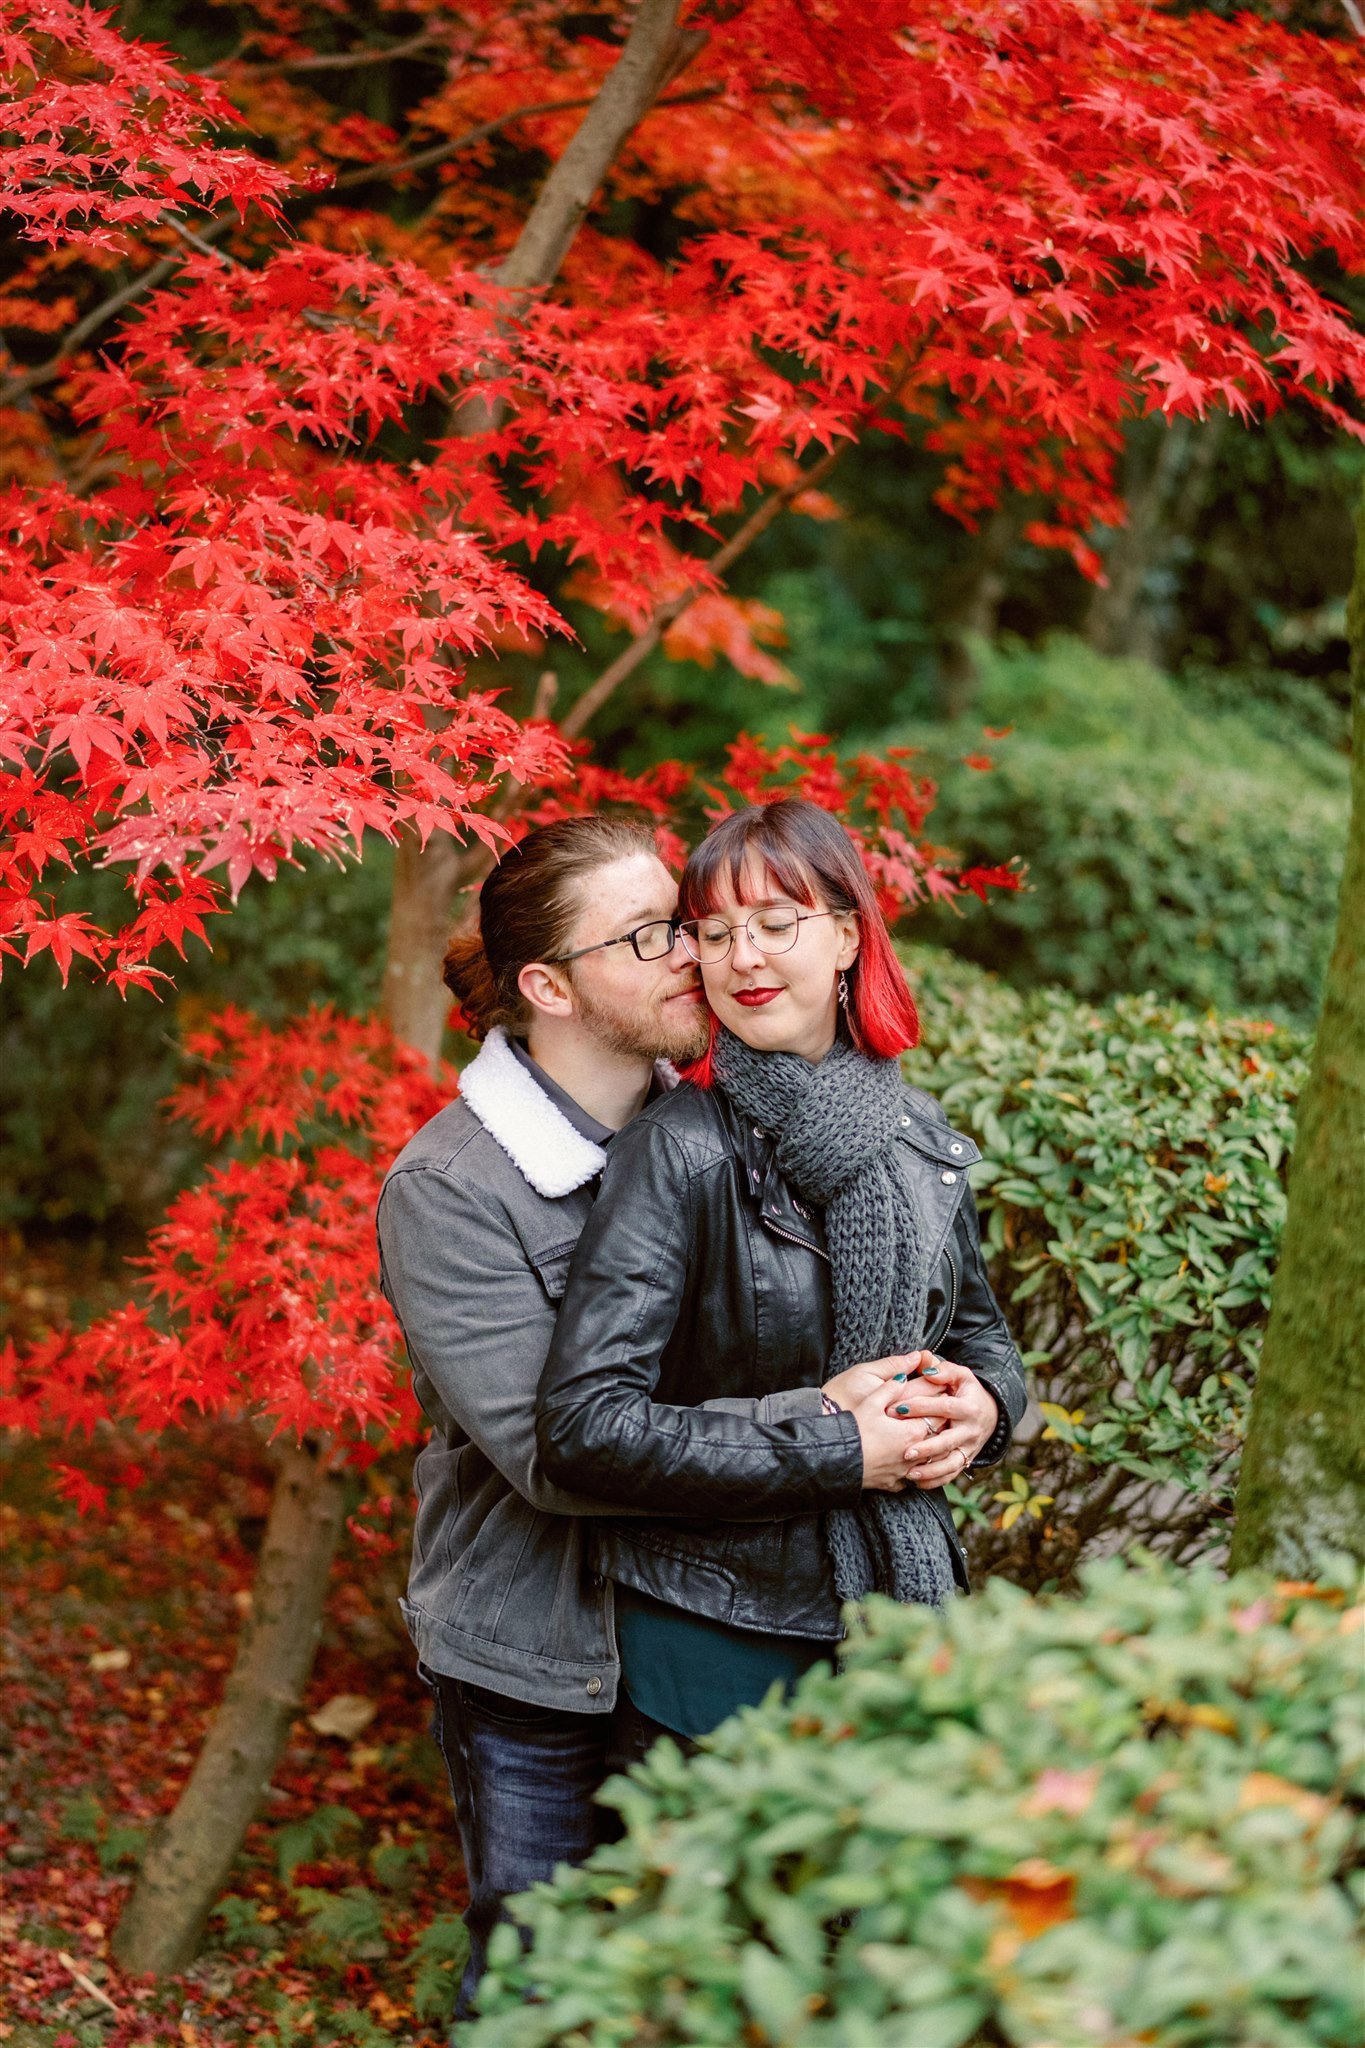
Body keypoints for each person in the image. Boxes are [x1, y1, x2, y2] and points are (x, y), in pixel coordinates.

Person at [376, 815, 935, 2020]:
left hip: (704, 1621)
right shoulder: (453, 1189)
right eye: (651, 937)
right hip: (537, 1649)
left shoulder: (720, 1125)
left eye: (682, 921)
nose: (698, 955)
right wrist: (831, 1433)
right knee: (537, 1966)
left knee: (694, 1974)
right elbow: (555, 1455)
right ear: (549, 985)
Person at [536, 796, 1027, 1747]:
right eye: (713, 934)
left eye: (774, 923)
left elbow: (982, 1341)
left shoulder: (914, 1136)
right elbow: (585, 1427)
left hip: (892, 1615)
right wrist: (840, 1444)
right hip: (719, 1627)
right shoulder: (677, 1153)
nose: (742, 958)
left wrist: (987, 1410)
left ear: (846, 935)